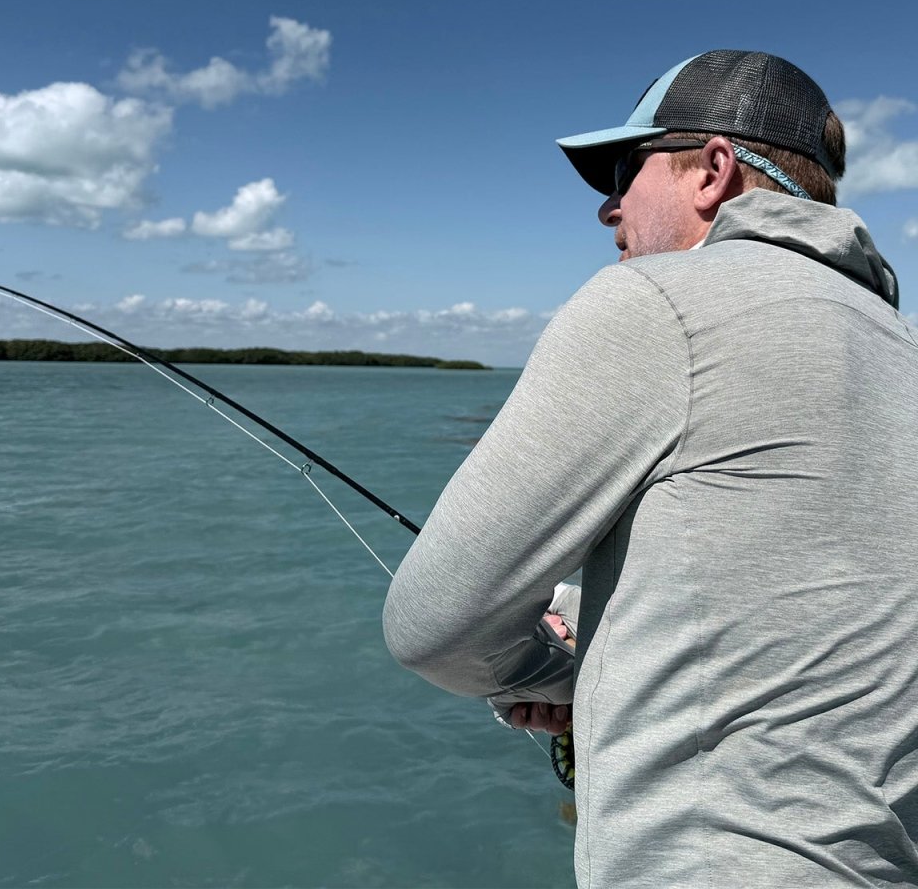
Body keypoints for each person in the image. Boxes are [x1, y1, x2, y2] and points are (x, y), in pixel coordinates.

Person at [383, 50, 918, 887]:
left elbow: (432, 624)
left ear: (711, 170)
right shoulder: (901, 348)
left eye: (625, 171)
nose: (608, 207)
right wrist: (594, 621)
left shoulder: (655, 303)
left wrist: (554, 677)